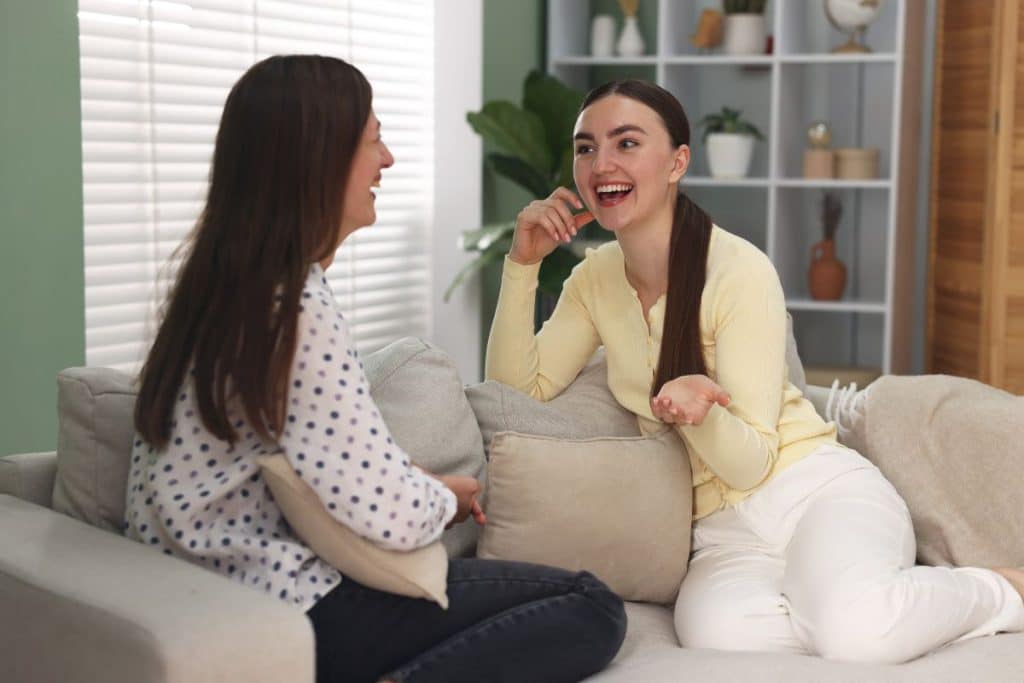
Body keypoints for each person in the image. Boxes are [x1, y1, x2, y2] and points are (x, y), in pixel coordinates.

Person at [485, 78, 1024, 664]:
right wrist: (522, 265)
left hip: (812, 491)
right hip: (722, 530)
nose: (601, 164)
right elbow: (517, 392)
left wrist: (694, 413)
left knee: (855, 635)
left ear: (677, 162)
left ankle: (997, 587)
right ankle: (857, 602)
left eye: (627, 143)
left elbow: (752, 461)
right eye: (586, 147)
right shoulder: (594, 278)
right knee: (721, 635)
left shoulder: (738, 270)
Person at [125, 55, 626, 683]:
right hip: (287, 602)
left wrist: (416, 480)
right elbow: (387, 516)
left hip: (207, 595)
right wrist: (442, 498)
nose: (387, 160)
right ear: (319, 159)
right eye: (373, 140)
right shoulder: (293, 309)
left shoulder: (219, 286)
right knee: (592, 606)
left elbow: (315, 462)